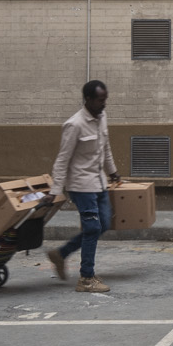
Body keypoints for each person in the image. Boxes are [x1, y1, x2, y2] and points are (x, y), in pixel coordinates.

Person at [46, 78, 121, 293]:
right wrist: (55, 190)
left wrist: (113, 171)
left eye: (105, 99)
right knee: (92, 228)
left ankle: (60, 254)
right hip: (80, 185)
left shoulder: (102, 117)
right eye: (100, 100)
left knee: (103, 224)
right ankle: (86, 278)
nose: (104, 104)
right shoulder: (74, 124)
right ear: (88, 99)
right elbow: (62, 160)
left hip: (99, 182)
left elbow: (105, 148)